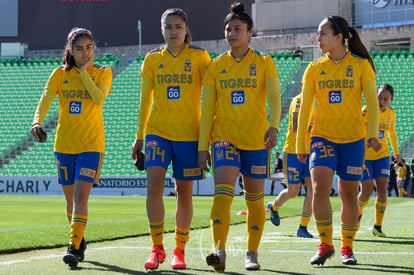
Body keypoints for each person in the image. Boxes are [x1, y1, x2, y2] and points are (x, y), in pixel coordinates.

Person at [198, 2, 281, 272]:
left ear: (250, 32)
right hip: (223, 137)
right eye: (228, 29)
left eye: (237, 29)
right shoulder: (215, 66)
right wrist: (203, 146)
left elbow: (274, 97)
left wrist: (273, 126)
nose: (231, 33)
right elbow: (207, 107)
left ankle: (251, 253)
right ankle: (219, 251)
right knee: (222, 194)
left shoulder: (264, 62)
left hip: (256, 139)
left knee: (254, 199)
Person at [130, 8, 211, 270]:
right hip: (157, 133)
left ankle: (179, 250)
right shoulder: (152, 59)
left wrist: (205, 142)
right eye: (168, 27)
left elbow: (211, 98)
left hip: (189, 135)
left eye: (178, 27)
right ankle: (157, 248)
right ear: (161, 30)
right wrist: (139, 136)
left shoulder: (200, 57)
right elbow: (145, 100)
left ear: (186, 29)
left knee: (183, 192)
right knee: (153, 185)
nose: (173, 31)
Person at [296, 15, 380, 266]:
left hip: (354, 139)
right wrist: (301, 143)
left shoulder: (361, 64)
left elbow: (373, 106)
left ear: (339, 37)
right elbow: (306, 109)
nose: (318, 39)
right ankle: (325, 244)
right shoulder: (313, 68)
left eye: (323, 34)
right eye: (318, 34)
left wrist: (372, 133)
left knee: (349, 194)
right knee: (320, 187)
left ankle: (347, 247)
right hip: (322, 137)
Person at [31, 27, 112, 268]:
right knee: (69, 200)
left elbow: (98, 99)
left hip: (91, 145)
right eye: (79, 49)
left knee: (79, 196)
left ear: (93, 48)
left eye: (89, 47)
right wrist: (36, 122)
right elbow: (45, 100)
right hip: (64, 145)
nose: (85, 53)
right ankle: (79, 239)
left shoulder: (103, 72)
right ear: (70, 50)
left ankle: (73, 247)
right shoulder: (59, 74)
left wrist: (86, 73)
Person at [268, 94, 313, 238]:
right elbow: (295, 126)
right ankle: (274, 206)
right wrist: (313, 127)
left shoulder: (317, 103)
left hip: (309, 152)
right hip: (293, 152)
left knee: (312, 190)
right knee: (293, 191)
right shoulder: (299, 100)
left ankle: (303, 227)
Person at [358, 84, 400, 238]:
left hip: (382, 156)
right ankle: (357, 213)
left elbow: (392, 133)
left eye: (385, 99)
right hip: (365, 157)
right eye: (379, 97)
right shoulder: (367, 110)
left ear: (390, 100)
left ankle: (377, 226)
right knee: (367, 191)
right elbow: (359, 130)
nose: (381, 101)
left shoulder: (391, 114)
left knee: (383, 189)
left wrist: (396, 154)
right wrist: (370, 140)